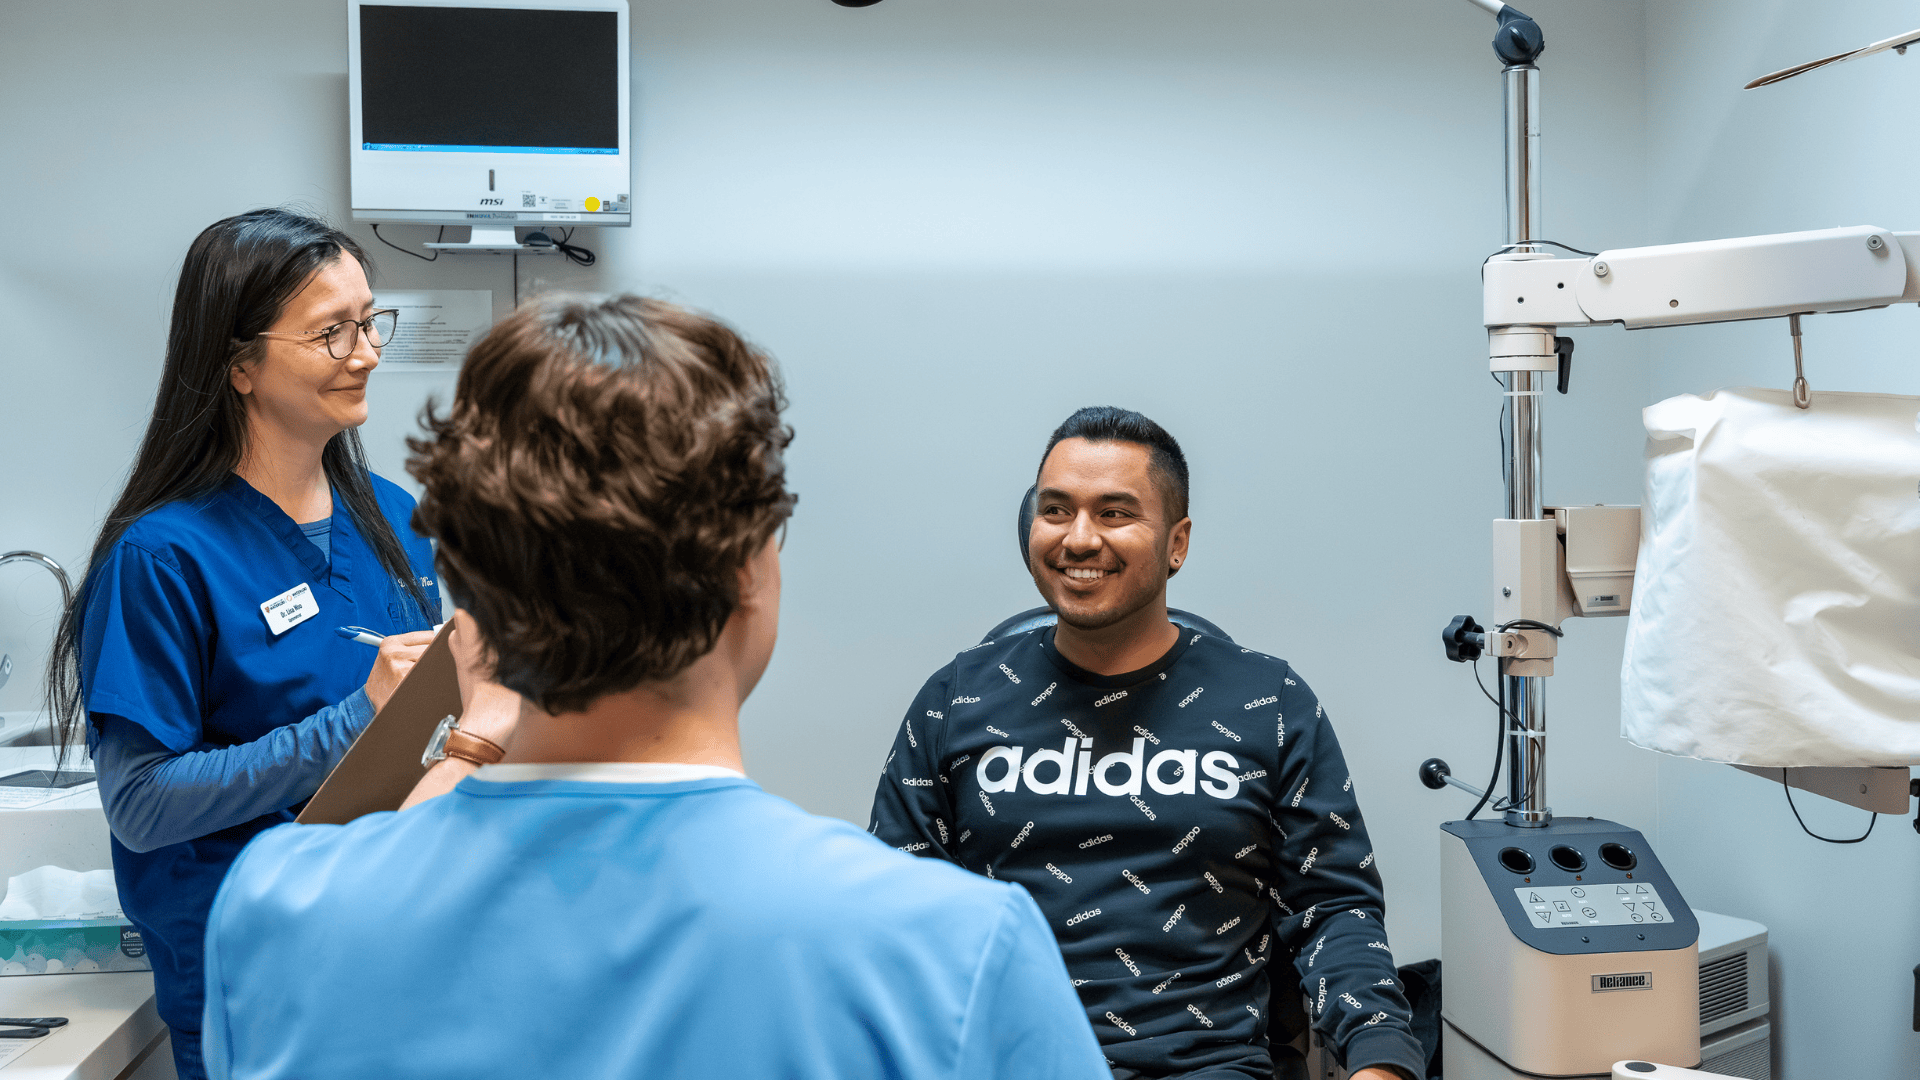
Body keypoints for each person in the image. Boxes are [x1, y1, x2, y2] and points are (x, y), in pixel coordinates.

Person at [199, 295, 1111, 1080]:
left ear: (468, 604)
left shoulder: (280, 910)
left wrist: (471, 743)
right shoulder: (952, 952)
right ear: (752, 574)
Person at [870, 407, 1425, 1080]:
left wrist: (1380, 1060)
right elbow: (893, 911)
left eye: (1114, 513)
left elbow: (1333, 908)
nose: (1078, 539)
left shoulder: (1267, 701)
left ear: (1177, 543)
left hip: (1210, 1066)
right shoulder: (957, 698)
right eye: (1055, 510)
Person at [41, 209, 440, 1080]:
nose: (367, 352)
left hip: (400, 950)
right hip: (262, 979)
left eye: (371, 322)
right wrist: (356, 721)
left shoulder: (397, 520)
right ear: (240, 365)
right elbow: (142, 806)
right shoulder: (165, 556)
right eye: (331, 333)